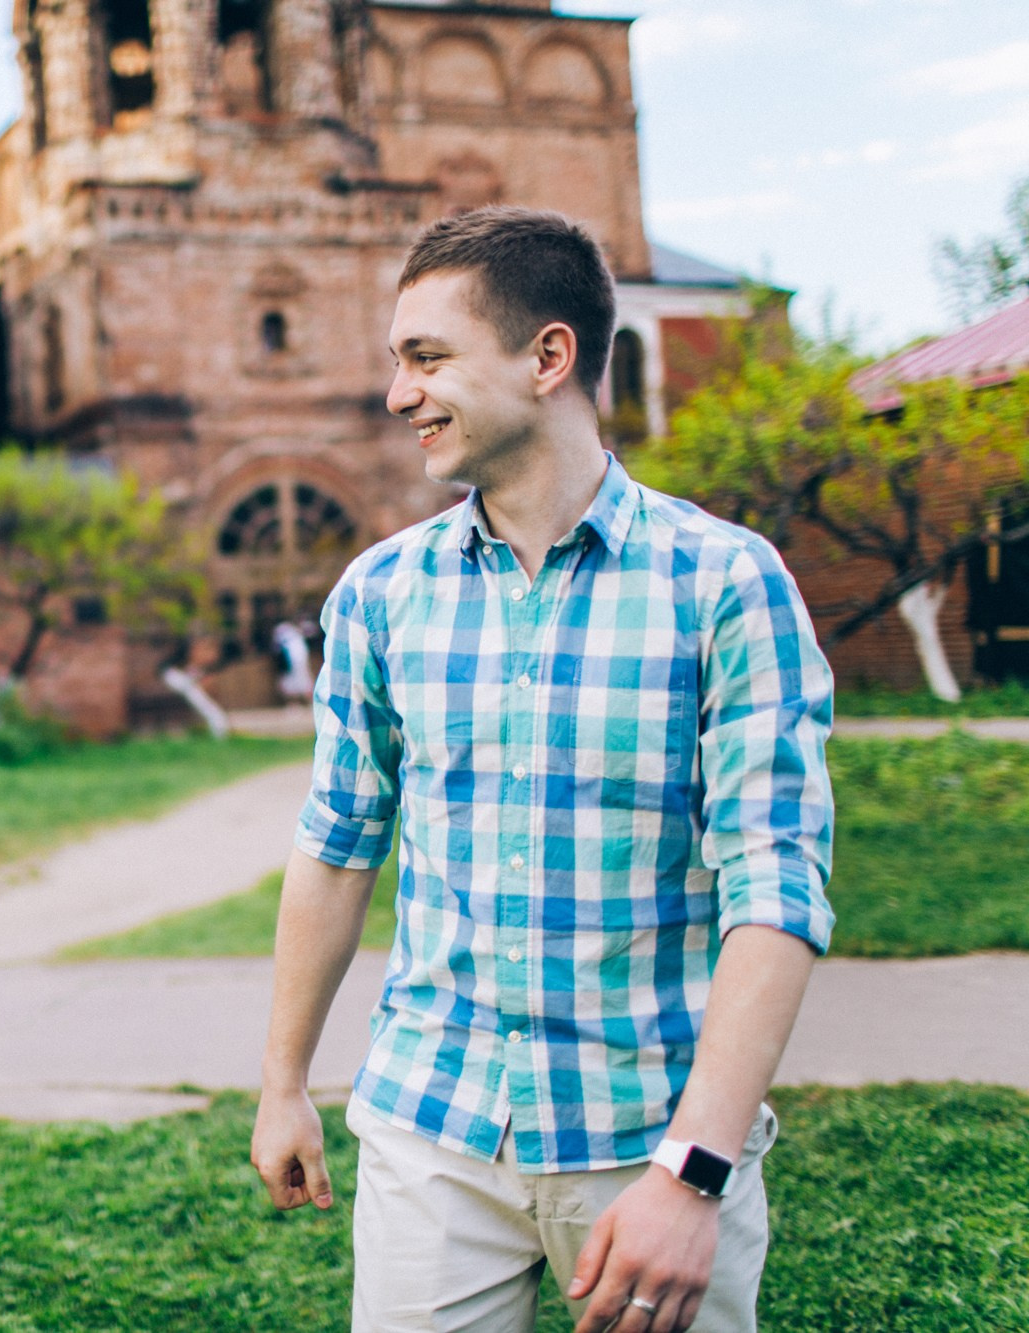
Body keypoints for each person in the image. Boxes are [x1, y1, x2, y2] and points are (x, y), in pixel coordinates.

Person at [251, 208, 834, 1333]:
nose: (396, 393)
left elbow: (773, 891)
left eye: (425, 358)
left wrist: (691, 1172)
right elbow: (334, 848)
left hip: (646, 1141)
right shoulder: (378, 595)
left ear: (546, 357)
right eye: (396, 363)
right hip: (432, 1131)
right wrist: (284, 1082)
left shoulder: (723, 584)